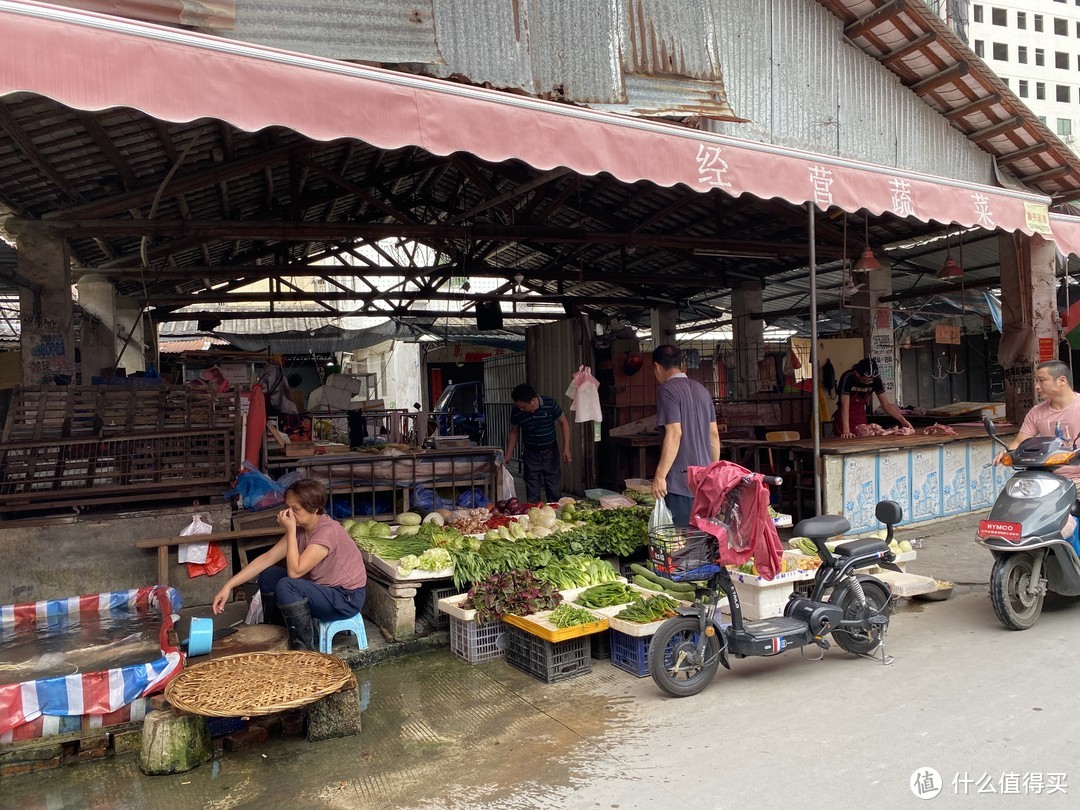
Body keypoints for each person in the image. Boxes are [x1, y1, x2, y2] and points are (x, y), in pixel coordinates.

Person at [212, 478, 366, 651]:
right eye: (288, 507)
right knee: (269, 575)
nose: (289, 514)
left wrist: (290, 530)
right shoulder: (301, 528)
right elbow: (267, 558)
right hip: (323, 589)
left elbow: (295, 572)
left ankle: (303, 650)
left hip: (345, 598)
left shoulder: (326, 531)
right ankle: (277, 635)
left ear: (314, 508)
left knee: (287, 585)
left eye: (295, 509)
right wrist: (228, 586)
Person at [650, 345, 721, 526]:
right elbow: (713, 433)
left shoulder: (666, 390)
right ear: (681, 364)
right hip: (703, 481)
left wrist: (659, 476)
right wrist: (712, 471)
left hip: (679, 482)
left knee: (680, 542)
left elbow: (674, 433)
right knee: (702, 538)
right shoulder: (703, 391)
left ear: (657, 367)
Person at [994, 359, 1080, 491]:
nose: (1036, 386)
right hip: (1047, 479)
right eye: (1036, 381)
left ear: (1062, 381)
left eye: (1042, 380)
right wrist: (1007, 452)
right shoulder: (1036, 412)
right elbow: (1019, 442)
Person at [505, 383, 572, 503]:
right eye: (519, 407)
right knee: (532, 489)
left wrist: (566, 448)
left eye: (523, 407)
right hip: (531, 453)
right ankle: (534, 514)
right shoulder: (516, 411)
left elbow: (564, 423)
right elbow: (514, 432)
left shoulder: (550, 403)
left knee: (554, 488)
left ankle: (556, 514)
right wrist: (508, 455)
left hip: (550, 452)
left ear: (532, 400)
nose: (521, 409)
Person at [834, 357, 914, 439]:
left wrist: (903, 421)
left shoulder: (876, 379)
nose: (870, 382)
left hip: (860, 419)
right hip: (844, 420)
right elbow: (845, 405)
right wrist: (846, 431)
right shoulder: (848, 377)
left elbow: (886, 404)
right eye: (867, 380)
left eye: (871, 380)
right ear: (857, 374)